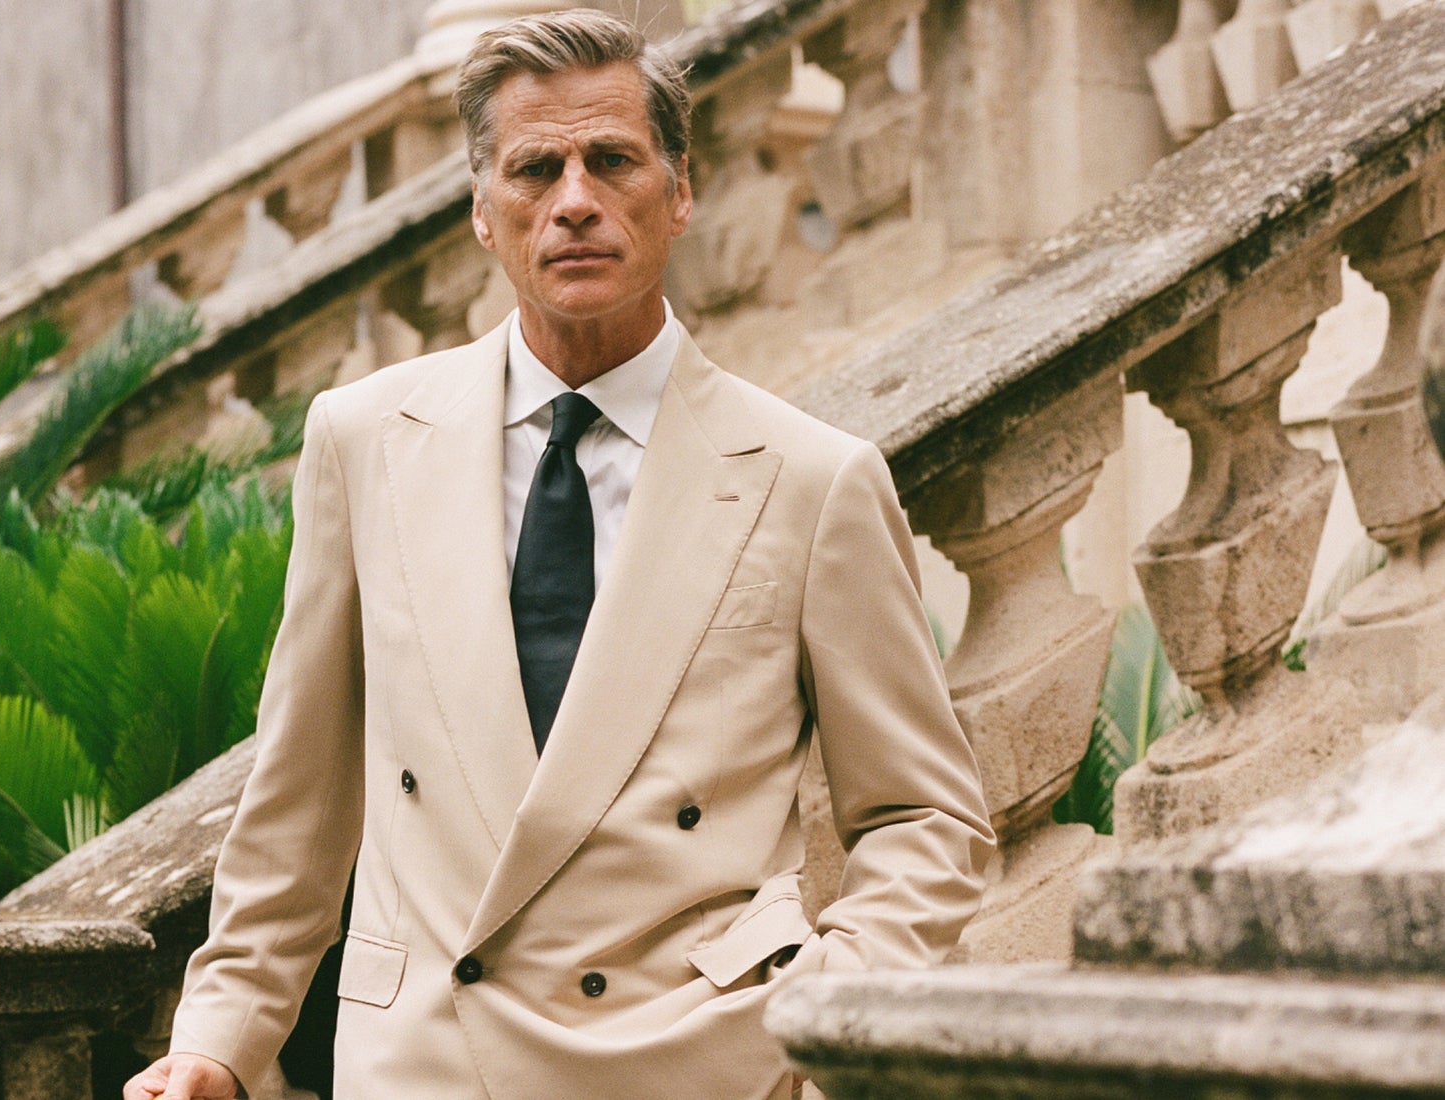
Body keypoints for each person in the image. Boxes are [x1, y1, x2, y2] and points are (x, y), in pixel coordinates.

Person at [126, 10, 993, 1100]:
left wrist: (828, 1015)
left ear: (680, 192)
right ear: (482, 211)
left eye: (612, 160)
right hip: (429, 1066)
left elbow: (923, 816)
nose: (575, 199)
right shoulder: (363, 441)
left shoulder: (813, 478)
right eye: (536, 169)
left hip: (704, 1065)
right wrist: (220, 1038)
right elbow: (295, 804)